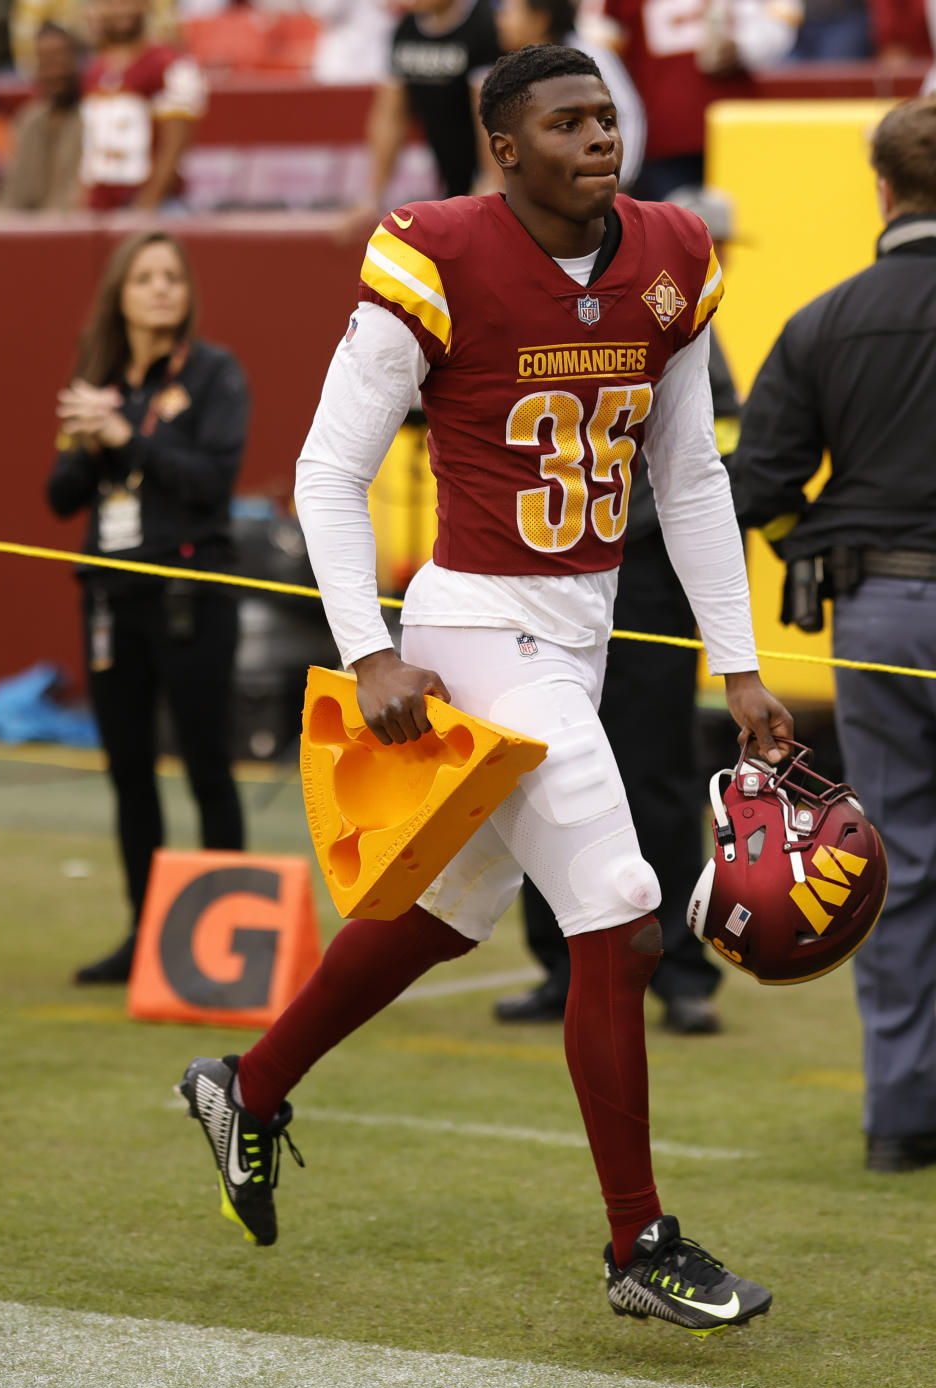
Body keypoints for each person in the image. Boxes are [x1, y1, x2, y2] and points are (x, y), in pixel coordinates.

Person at [178, 45, 793, 1335]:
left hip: (580, 629)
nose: (598, 138)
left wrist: (740, 662)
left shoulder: (671, 255)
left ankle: (252, 1084)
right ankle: (640, 1239)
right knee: (623, 910)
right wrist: (369, 648)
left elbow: (687, 478)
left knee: (447, 915)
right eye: (565, 122)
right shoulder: (438, 251)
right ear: (502, 147)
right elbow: (324, 474)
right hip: (472, 624)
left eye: (605, 116)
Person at [730, 95, 936, 1174]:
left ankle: (901, 1117)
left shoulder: (823, 320)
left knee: (894, 861)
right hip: (885, 600)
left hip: (880, 617)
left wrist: (807, 541)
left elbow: (756, 486)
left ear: (883, 189)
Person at [497, 184, 741, 1032]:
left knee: (658, 767)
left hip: (641, 570)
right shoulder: (512, 292)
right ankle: (559, 963)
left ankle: (679, 965)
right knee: (536, 772)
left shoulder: (671, 296)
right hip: (536, 570)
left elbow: (699, 458)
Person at [47, 231, 248, 983]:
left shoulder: (213, 374)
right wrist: (89, 437)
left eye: (172, 277)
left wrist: (125, 436)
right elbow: (60, 497)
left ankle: (231, 944)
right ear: (120, 295)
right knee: (128, 770)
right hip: (111, 601)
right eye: (145, 278)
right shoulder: (99, 380)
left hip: (191, 597)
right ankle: (146, 937)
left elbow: (211, 482)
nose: (162, 289)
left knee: (206, 766)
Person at [602, 0, 801, 199]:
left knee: (742, 222)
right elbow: (600, 47)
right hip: (666, 137)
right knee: (673, 223)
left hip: (736, 130)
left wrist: (745, 47)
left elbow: (780, 18)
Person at [340, 0, 502, 242]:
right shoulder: (406, 29)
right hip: (450, 181)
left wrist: (490, 188)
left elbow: (491, 117)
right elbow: (390, 118)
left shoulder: (484, 25)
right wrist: (372, 197)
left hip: (491, 182)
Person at [495, 0, 646, 191]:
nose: (500, 20)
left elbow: (628, 112)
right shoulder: (508, 70)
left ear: (540, 20)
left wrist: (619, 177)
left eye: (508, 12)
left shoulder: (588, 57)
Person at [79, 0, 206, 210]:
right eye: (111, 4)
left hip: (155, 204)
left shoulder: (169, 65)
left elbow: (174, 147)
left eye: (127, 3)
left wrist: (146, 206)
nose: (120, 10)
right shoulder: (93, 70)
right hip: (100, 203)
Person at [0, 23, 82, 210]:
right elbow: (13, 193)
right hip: (29, 230)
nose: (54, 71)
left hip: (78, 228)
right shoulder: (27, 121)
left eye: (60, 59)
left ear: (75, 61)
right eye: (46, 61)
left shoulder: (93, 117)